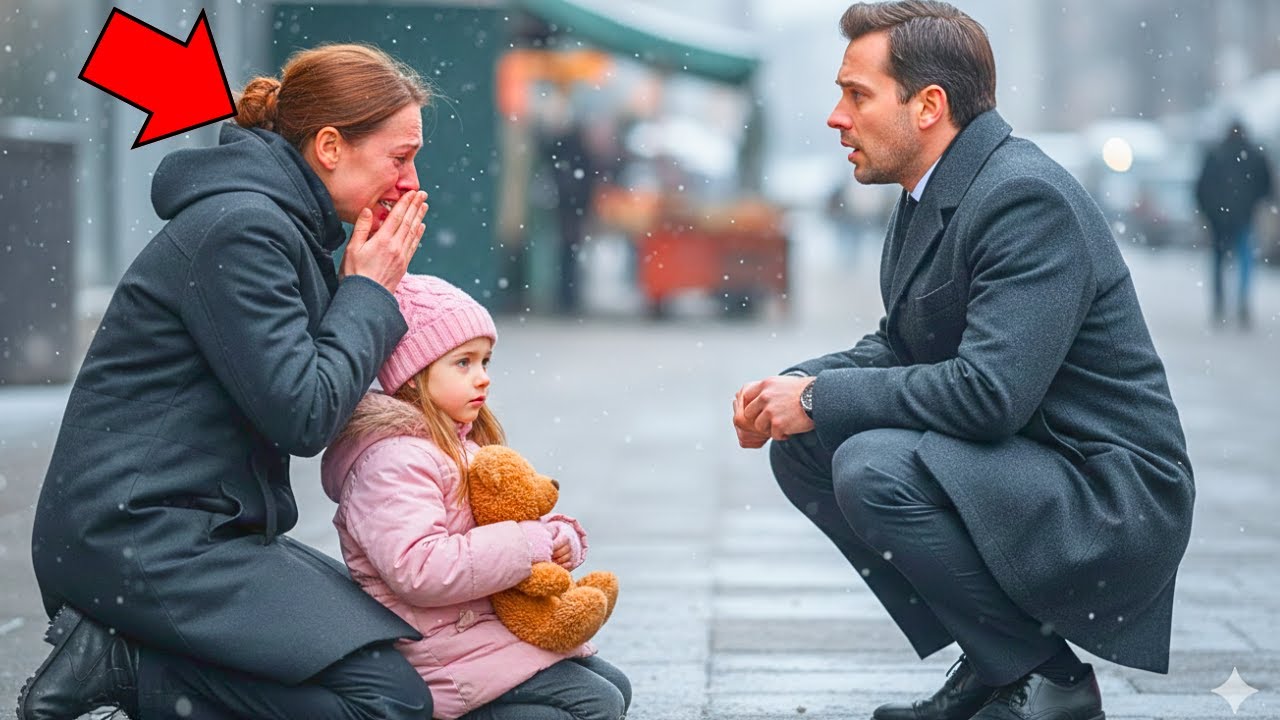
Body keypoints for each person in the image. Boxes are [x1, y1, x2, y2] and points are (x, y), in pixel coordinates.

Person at [731, 3, 1194, 720]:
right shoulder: (936, 190)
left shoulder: (1022, 197)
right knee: (805, 447)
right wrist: (793, 387)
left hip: (1106, 493)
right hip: (1028, 462)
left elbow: (989, 395)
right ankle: (995, 661)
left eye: (857, 94)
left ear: (928, 107)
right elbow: (902, 347)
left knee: (872, 467)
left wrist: (822, 398)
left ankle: (1050, 684)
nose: (836, 117)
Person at [21, 44, 436, 719]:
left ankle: (134, 663)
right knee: (388, 704)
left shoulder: (278, 224)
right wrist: (366, 293)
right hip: (139, 538)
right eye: (399, 157)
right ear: (330, 146)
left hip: (199, 530)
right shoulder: (242, 229)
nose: (410, 182)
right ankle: (124, 667)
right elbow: (303, 414)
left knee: (408, 672)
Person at [320, 274, 632, 720]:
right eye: (463, 363)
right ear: (412, 376)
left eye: (485, 361)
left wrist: (560, 538)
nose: (482, 378)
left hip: (479, 635)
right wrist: (528, 544)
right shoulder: (392, 461)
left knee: (613, 688)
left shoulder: (455, 443)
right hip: (441, 656)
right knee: (595, 703)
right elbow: (421, 570)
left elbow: (507, 514)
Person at [1194, 119, 1273, 328]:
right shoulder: (1254, 155)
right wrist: (1254, 204)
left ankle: (1220, 304)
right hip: (1243, 217)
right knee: (1245, 259)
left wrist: (1209, 212)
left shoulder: (1216, 154)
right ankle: (1242, 302)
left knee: (1219, 262)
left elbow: (1201, 187)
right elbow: (1266, 186)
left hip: (1219, 219)